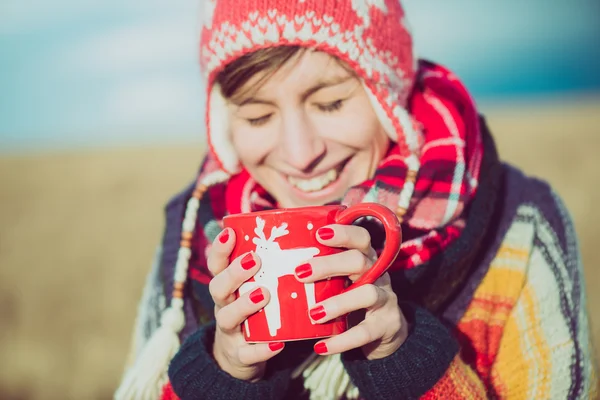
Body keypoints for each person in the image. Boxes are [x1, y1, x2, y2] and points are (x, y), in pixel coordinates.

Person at [115, 1, 598, 399]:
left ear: (387, 97)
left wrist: (405, 364)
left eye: (330, 104)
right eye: (258, 117)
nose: (301, 154)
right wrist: (223, 373)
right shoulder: (195, 236)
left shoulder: (519, 223)